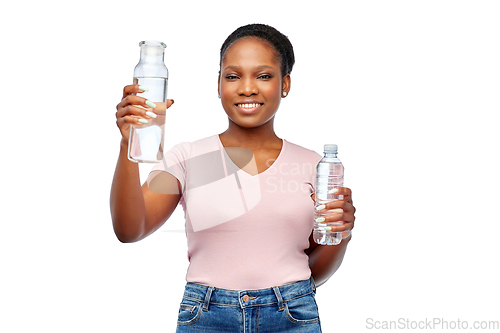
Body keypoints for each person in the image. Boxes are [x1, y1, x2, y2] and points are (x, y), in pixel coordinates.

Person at [111, 23, 356, 332]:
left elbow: (311, 271)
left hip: (292, 316)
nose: (247, 88)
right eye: (233, 76)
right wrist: (126, 143)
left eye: (264, 76)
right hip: (206, 318)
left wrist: (342, 234)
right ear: (218, 84)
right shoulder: (188, 159)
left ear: (285, 84)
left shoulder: (315, 166)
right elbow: (130, 229)